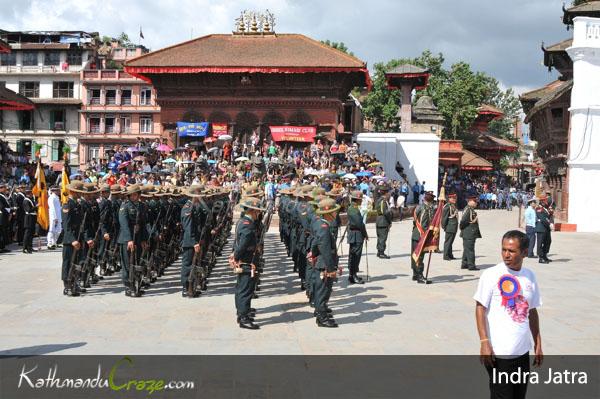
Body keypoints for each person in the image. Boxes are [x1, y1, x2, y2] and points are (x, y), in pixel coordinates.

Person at [474, 230, 543, 399]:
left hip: (522, 352)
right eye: (504, 249)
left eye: (511, 251)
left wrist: (538, 343)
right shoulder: (491, 275)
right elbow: (480, 308)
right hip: (499, 353)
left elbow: (532, 311)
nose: (506, 255)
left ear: (525, 252)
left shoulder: (529, 276)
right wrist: (484, 342)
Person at [230, 197, 264, 330]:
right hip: (247, 260)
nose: (258, 214)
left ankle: (243, 312)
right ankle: (243, 317)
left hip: (245, 259)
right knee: (245, 289)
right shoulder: (248, 224)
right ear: (253, 211)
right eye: (257, 211)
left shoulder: (242, 221)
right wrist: (236, 256)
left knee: (243, 288)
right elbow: (243, 244)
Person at [312, 197, 340, 328]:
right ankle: (322, 318)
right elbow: (325, 249)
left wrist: (313, 253)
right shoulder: (323, 227)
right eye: (334, 211)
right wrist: (331, 268)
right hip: (324, 264)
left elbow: (315, 244)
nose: (336, 214)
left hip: (322, 262)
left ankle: (320, 312)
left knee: (322, 290)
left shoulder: (320, 224)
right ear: (328, 213)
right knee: (323, 291)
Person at [180, 185, 207, 297]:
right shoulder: (187, 208)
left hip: (194, 240)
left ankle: (191, 286)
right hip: (189, 241)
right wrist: (194, 242)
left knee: (193, 264)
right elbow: (188, 227)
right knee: (187, 265)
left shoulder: (193, 206)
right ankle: (186, 288)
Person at [411, 191, 435, 282]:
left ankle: (415, 274)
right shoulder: (421, 208)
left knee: (417, 254)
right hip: (420, 234)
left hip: (420, 234)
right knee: (419, 255)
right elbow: (418, 221)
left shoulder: (429, 208)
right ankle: (419, 275)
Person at [346, 190, 368, 284]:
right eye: (360, 199)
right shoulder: (354, 209)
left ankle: (352, 274)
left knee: (353, 255)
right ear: (357, 200)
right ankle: (353, 274)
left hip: (354, 234)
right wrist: (365, 234)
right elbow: (360, 224)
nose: (361, 201)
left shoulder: (353, 208)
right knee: (355, 255)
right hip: (356, 234)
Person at [460, 195, 481, 271]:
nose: (476, 203)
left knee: (467, 249)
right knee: (470, 249)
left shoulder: (470, 209)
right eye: (474, 201)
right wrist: (463, 229)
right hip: (469, 233)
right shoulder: (468, 210)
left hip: (469, 232)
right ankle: (471, 265)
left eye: (476, 201)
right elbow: (463, 221)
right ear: (469, 201)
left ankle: (464, 263)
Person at [375, 185, 392, 259]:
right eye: (388, 192)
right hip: (383, 221)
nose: (389, 194)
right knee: (383, 237)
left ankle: (379, 251)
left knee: (380, 237)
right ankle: (381, 252)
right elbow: (385, 212)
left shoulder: (379, 200)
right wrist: (390, 221)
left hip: (379, 220)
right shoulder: (383, 201)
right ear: (386, 193)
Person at [441, 192, 458, 261]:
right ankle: (445, 255)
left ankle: (450, 254)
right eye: (453, 198)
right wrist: (444, 227)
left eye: (455, 198)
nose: (455, 199)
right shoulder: (447, 207)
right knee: (448, 242)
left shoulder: (453, 206)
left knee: (451, 242)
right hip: (449, 227)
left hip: (453, 227)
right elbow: (444, 218)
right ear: (449, 199)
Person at [535, 198, 552, 264]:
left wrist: (550, 213)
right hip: (541, 228)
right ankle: (541, 258)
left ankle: (545, 255)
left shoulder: (546, 209)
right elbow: (542, 219)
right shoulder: (539, 208)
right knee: (540, 243)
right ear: (542, 202)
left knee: (548, 242)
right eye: (545, 202)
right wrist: (549, 224)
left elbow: (548, 217)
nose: (547, 203)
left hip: (546, 228)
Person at [22, 187, 37, 254]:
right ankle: (24, 248)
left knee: (31, 234)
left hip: (33, 217)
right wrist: (36, 206)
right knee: (27, 234)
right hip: (29, 218)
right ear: (28, 194)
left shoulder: (31, 199)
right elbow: (28, 210)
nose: (31, 194)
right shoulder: (26, 200)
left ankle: (30, 247)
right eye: (30, 193)